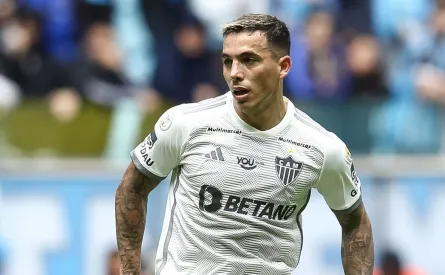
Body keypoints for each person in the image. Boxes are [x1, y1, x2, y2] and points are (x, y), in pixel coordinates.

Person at [115, 13, 374, 275]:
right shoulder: (185, 123)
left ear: (283, 66)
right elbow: (132, 190)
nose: (235, 73)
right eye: (228, 61)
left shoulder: (322, 147)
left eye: (249, 60)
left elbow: (355, 222)